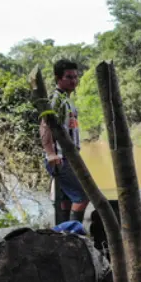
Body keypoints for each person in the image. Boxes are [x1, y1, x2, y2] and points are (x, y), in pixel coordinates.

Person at [41, 59, 89, 224]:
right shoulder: (56, 100)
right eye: (69, 77)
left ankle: (64, 234)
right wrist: (51, 154)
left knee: (67, 199)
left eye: (75, 77)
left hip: (69, 157)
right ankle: (75, 234)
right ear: (58, 78)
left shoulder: (66, 99)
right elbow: (45, 126)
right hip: (60, 158)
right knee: (83, 197)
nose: (73, 81)